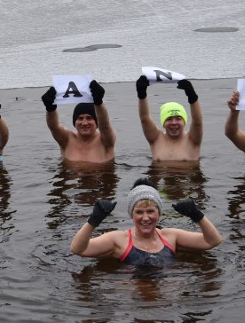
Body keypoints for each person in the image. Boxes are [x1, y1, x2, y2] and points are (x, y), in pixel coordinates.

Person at [70, 178, 222, 266]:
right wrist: (94, 220)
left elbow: (213, 241)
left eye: (150, 211)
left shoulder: (170, 236)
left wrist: (197, 215)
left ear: (159, 213)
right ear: (131, 214)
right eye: (139, 212)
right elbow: (78, 249)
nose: (145, 218)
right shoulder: (119, 240)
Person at [41, 80, 115, 164]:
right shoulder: (67, 139)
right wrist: (50, 108)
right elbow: (53, 127)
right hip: (71, 176)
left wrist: (98, 102)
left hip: (103, 176)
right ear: (74, 122)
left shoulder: (105, 141)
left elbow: (105, 125)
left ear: (96, 121)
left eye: (89, 118)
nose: (84, 123)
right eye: (80, 118)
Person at [135, 76, 203, 162]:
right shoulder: (156, 139)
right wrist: (142, 95)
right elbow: (144, 118)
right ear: (163, 123)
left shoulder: (192, 140)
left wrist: (192, 97)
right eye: (169, 119)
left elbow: (197, 122)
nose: (174, 123)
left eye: (178, 118)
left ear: (184, 121)